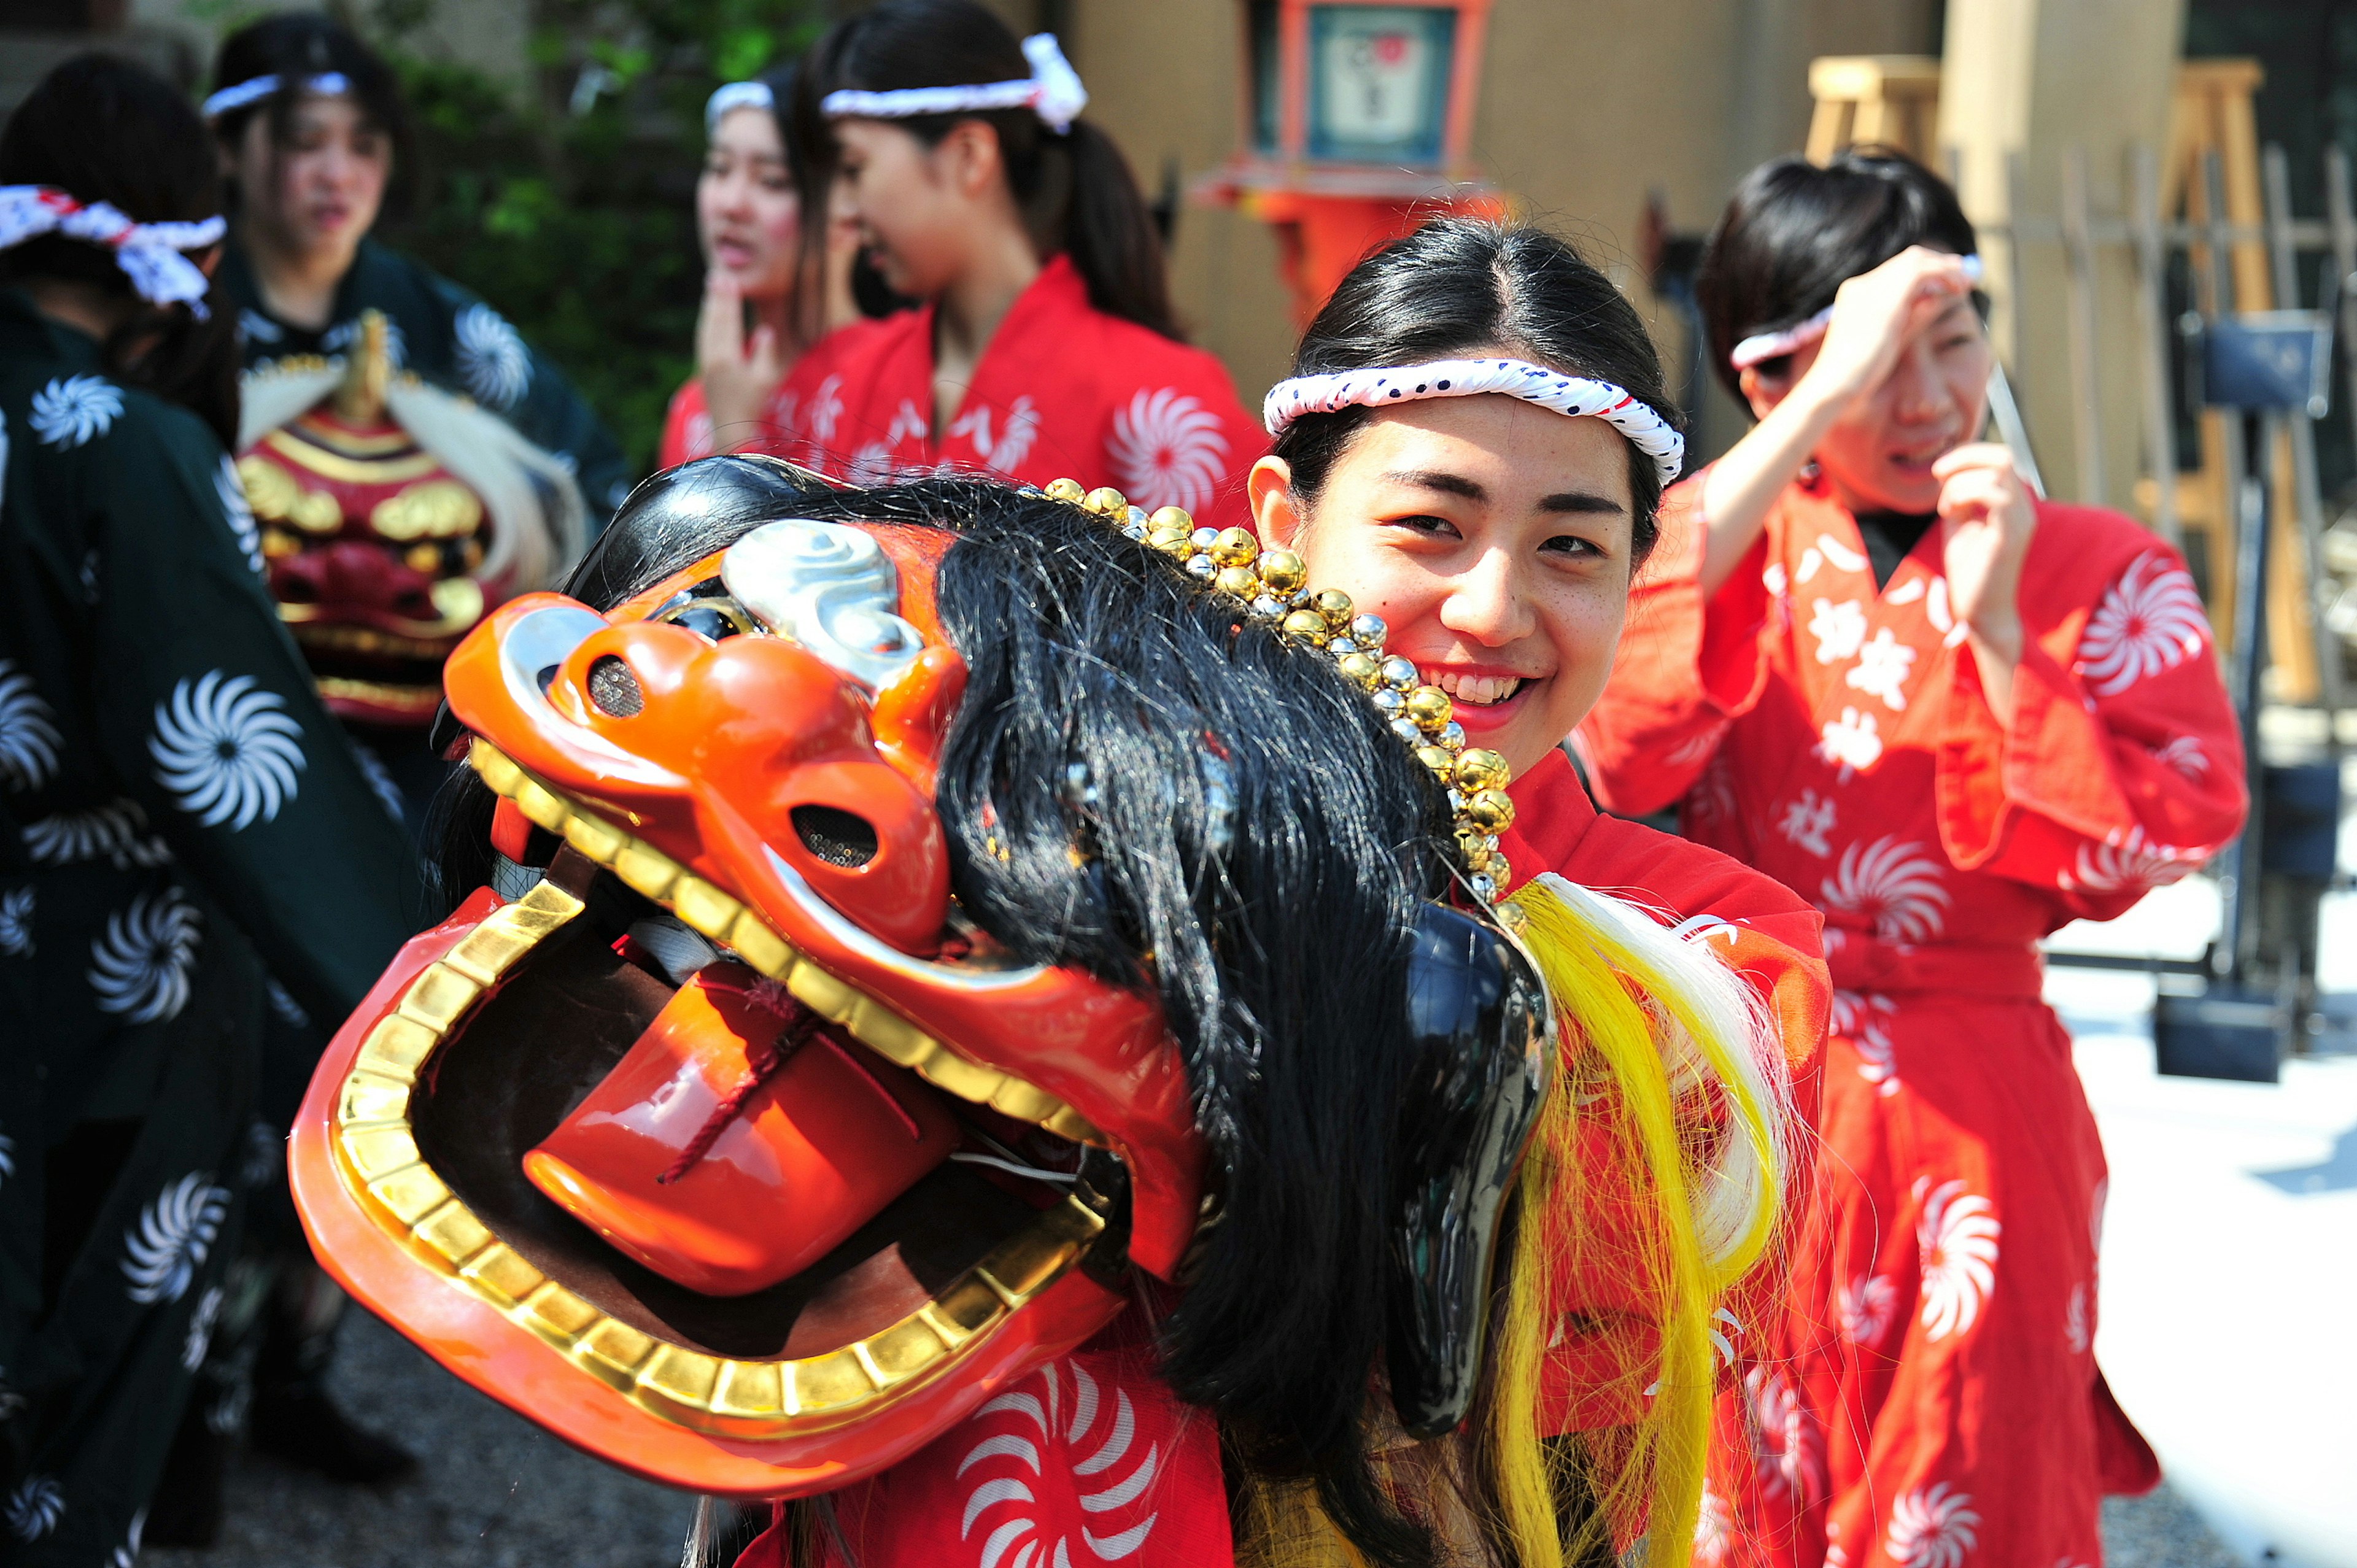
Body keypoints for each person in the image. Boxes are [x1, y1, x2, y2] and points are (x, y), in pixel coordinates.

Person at [281, 214, 1826, 1568]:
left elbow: (1541, 1352)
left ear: (1636, 580)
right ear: (1282, 527)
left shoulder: (1715, 950)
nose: (1492, 607)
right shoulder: (1035, 807)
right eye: (1428, 524)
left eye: (1572, 546)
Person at [1574, 150, 2247, 1566]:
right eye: (1881, 364)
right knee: (1720, 1496)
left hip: (1974, 1112)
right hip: (1742, 1081)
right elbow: (1611, 747)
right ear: (1770, 388)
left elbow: (2156, 835)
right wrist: (1820, 399)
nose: (1936, 397)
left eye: (1954, 341)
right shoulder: (1719, 544)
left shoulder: (2095, 561)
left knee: (1963, 1479)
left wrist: (2000, 632)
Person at [0, 55, 414, 1564]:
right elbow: (233, 759)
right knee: (64, 1428)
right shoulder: (120, 442)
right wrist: (438, 972)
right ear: (173, 232)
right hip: (108, 983)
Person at [748, 0, 1262, 526]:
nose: (843, 212)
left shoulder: (1160, 406)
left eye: (854, 168)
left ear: (969, 155)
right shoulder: (838, 386)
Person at [204, 12, 633, 527]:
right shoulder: (181, 318)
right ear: (225, 147)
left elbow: (596, 480)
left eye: (364, 146)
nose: (338, 175)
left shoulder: (436, 321)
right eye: (305, 142)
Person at [657, 68, 869, 470]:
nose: (731, 204)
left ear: (848, 208)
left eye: (772, 181)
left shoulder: (904, 375)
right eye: (719, 169)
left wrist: (734, 436)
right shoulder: (696, 403)